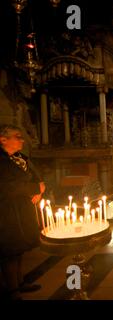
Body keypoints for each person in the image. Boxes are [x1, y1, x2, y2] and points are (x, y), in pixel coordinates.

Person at [0, 125, 45, 300]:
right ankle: (12, 291)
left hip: (21, 208)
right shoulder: (2, 161)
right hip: (6, 211)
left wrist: (39, 190)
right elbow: (7, 186)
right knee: (9, 250)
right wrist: (34, 188)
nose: (22, 139)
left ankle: (20, 282)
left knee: (19, 248)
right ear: (3, 140)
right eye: (17, 136)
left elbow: (34, 176)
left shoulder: (19, 157)